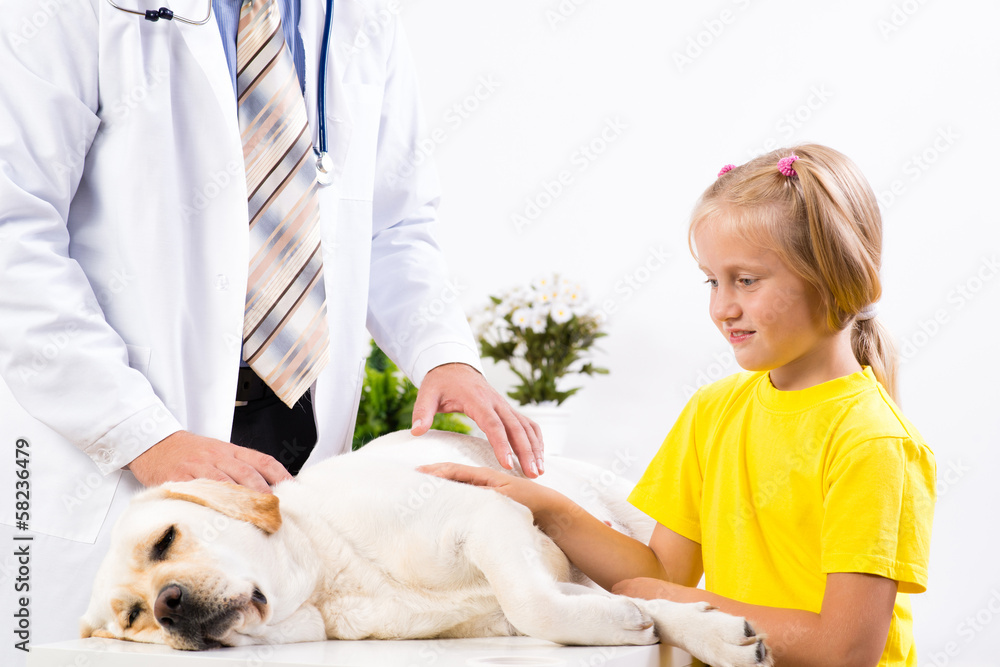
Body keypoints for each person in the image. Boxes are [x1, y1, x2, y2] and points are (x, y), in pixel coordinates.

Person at [0, 1, 540, 663]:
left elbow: (395, 226)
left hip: (295, 444)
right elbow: (12, 236)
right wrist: (142, 432)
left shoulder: (359, 17)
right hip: (117, 448)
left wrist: (442, 353)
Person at [424, 145, 936, 666]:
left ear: (834, 278)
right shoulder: (714, 409)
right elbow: (663, 573)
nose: (722, 307)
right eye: (713, 280)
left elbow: (845, 649)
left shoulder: (873, 443)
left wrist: (686, 605)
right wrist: (541, 505)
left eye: (747, 280)